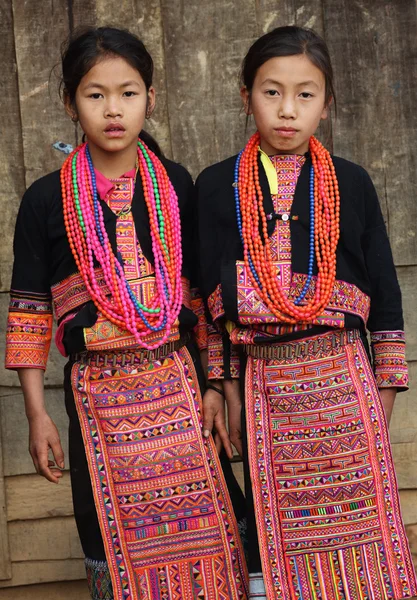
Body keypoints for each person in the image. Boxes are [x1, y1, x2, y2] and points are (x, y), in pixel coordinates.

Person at [5, 26, 248, 600]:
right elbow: (28, 312)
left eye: (129, 92)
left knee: (215, 542)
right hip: (97, 399)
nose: (113, 110)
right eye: (95, 95)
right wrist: (37, 415)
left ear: (150, 98)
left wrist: (215, 384)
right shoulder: (46, 199)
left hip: (183, 389)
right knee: (112, 543)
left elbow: (206, 302)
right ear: (71, 103)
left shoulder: (177, 184)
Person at [196, 25, 416, 600]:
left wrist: (384, 390)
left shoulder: (352, 182)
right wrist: (224, 385)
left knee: (360, 536)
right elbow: (206, 303)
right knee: (281, 542)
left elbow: (385, 294)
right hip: (265, 381)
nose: (287, 110)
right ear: (246, 96)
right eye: (271, 92)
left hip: (345, 381)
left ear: (328, 101)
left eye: (306, 94)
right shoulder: (217, 187)